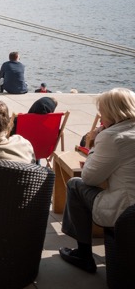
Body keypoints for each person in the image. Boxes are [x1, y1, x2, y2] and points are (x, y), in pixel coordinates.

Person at [59, 88, 135, 274]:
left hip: (126, 211)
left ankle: (84, 254)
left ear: (112, 112)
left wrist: (92, 143)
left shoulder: (111, 137)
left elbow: (89, 178)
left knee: (75, 184)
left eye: (102, 111)